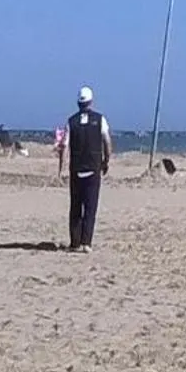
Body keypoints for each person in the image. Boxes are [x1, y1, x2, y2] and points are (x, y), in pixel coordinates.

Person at [65, 86, 111, 253]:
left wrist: (62, 166)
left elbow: (64, 145)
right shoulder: (100, 119)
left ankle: (75, 242)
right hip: (93, 167)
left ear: (78, 103)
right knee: (90, 206)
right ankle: (86, 243)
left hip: (76, 168)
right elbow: (107, 141)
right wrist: (107, 160)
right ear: (91, 102)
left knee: (76, 206)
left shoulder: (71, 121)